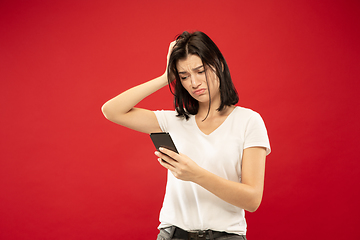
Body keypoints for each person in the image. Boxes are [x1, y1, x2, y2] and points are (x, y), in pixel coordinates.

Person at [102, 31, 270, 240]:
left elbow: (252, 199)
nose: (194, 83)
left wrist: (195, 175)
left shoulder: (248, 121)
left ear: (219, 64)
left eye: (200, 71)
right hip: (173, 234)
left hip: (226, 236)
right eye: (184, 76)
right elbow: (111, 110)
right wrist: (165, 77)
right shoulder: (173, 121)